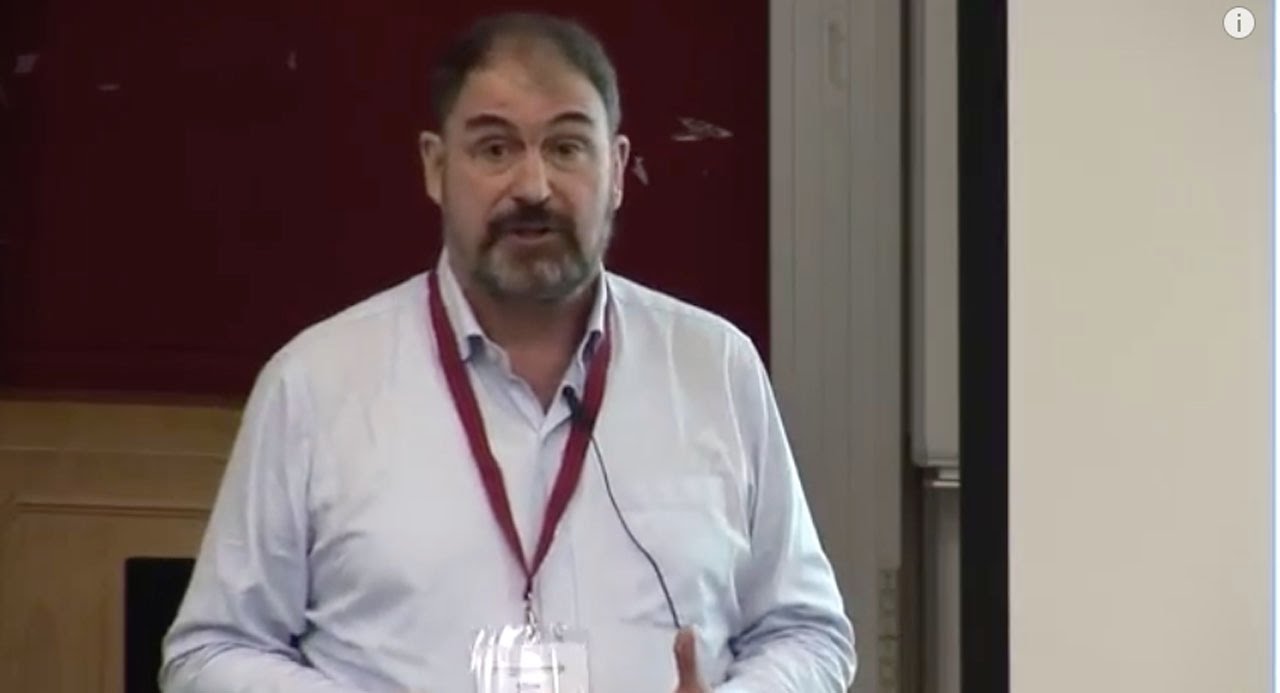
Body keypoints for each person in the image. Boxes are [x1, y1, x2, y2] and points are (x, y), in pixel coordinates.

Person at [160, 11, 854, 693]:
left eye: (566, 148)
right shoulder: (314, 383)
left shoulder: (715, 367)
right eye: (495, 149)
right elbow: (208, 652)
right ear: (436, 167)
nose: (533, 187)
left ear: (616, 169)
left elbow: (808, 632)